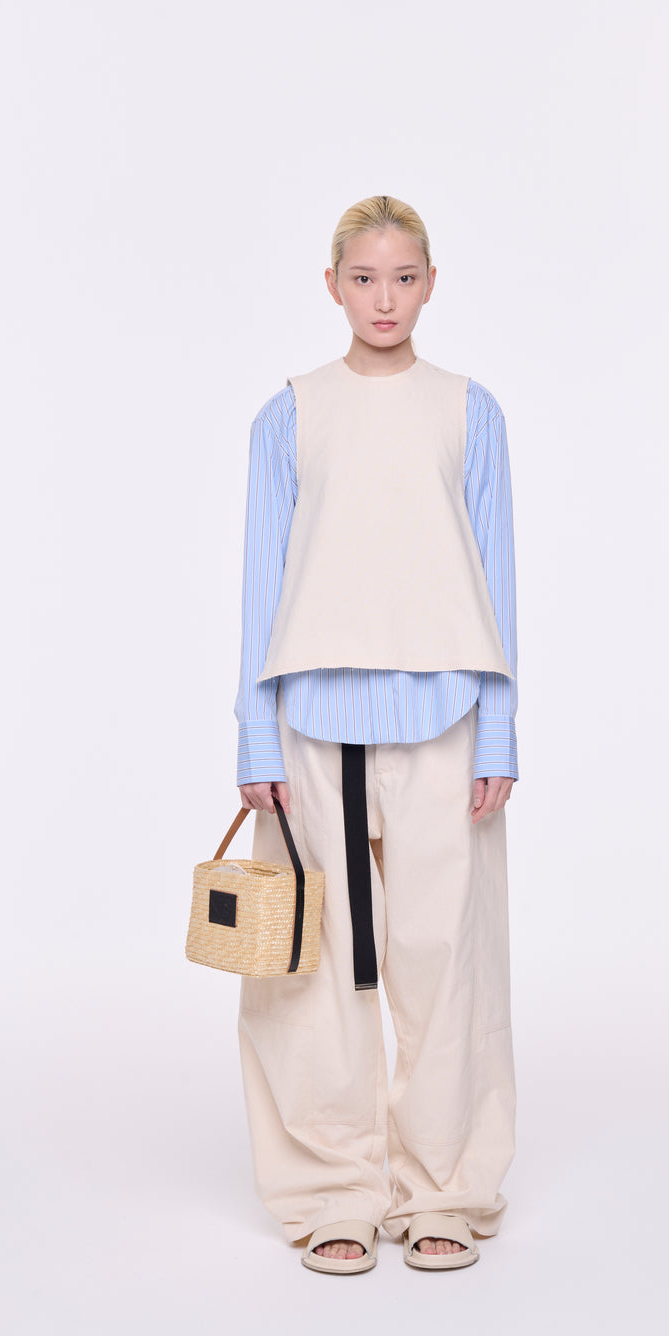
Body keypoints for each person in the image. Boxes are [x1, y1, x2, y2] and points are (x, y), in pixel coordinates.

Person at [233, 194, 518, 1274]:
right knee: (313, 978)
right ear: (333, 286)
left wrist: (501, 731)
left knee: (447, 966)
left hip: (446, 718)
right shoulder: (289, 416)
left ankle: (444, 1187)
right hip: (313, 725)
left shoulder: (470, 412)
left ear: (431, 284)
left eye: (403, 278)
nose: (383, 299)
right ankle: (332, 1191)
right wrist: (254, 741)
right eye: (363, 278)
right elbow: (263, 584)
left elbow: (495, 574)